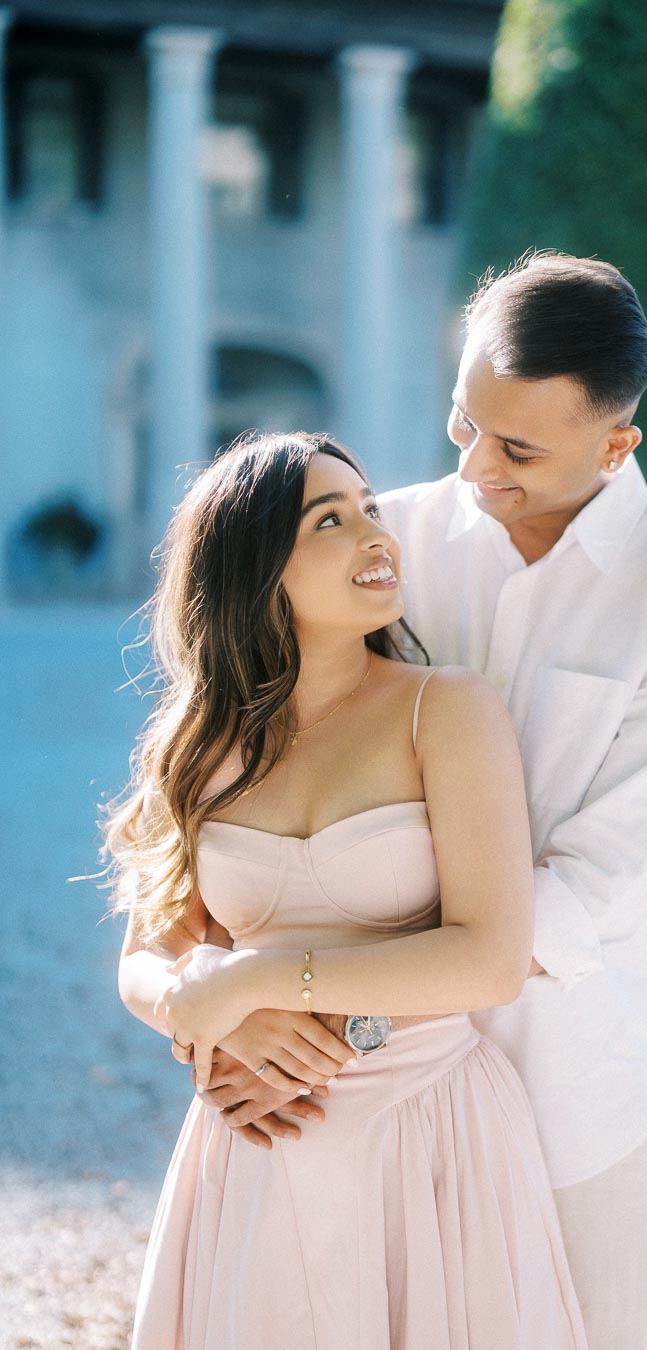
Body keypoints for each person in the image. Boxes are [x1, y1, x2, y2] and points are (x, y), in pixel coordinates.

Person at [196, 255, 647, 1349]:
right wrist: (223, 1012)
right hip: (357, 1110)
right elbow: (248, 788)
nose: (475, 467)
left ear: (617, 445)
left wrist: (315, 1011)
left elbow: (596, 884)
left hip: (565, 1092)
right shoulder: (382, 542)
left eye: (519, 451)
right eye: (464, 423)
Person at [110, 432, 588, 1349]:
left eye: (370, 509)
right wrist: (207, 1019)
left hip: (429, 1128)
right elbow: (147, 957)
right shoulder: (197, 745)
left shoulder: (445, 708)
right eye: (330, 521)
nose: (377, 536)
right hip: (256, 1133)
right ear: (256, 568)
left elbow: (491, 959)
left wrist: (256, 983)